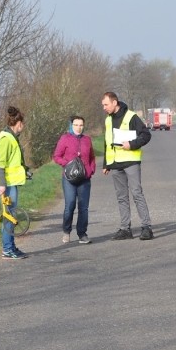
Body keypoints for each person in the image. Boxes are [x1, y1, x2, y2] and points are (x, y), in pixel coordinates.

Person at [101, 91, 154, 240]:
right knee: (121, 197)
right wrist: (106, 164)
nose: (104, 107)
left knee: (137, 193)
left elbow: (146, 135)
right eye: (103, 105)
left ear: (114, 102)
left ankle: (146, 227)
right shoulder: (108, 120)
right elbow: (107, 142)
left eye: (106, 104)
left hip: (131, 161)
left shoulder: (131, 117)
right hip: (116, 164)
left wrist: (131, 144)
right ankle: (125, 229)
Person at [0, 106, 29, 259]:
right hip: (5, 183)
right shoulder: (7, 139)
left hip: (10, 181)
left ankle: (11, 247)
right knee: (9, 216)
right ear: (18, 122)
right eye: (22, 123)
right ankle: (7, 249)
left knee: (11, 214)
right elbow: (0, 163)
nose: (23, 126)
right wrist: (1, 185)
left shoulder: (11, 136)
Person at [53, 116, 97, 244]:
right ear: (71, 125)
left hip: (84, 178)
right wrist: (67, 164)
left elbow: (92, 157)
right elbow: (57, 156)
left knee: (83, 207)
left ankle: (82, 233)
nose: (79, 127)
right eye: (76, 125)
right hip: (69, 178)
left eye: (81, 125)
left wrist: (91, 169)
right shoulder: (65, 138)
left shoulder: (87, 139)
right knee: (70, 205)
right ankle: (66, 231)